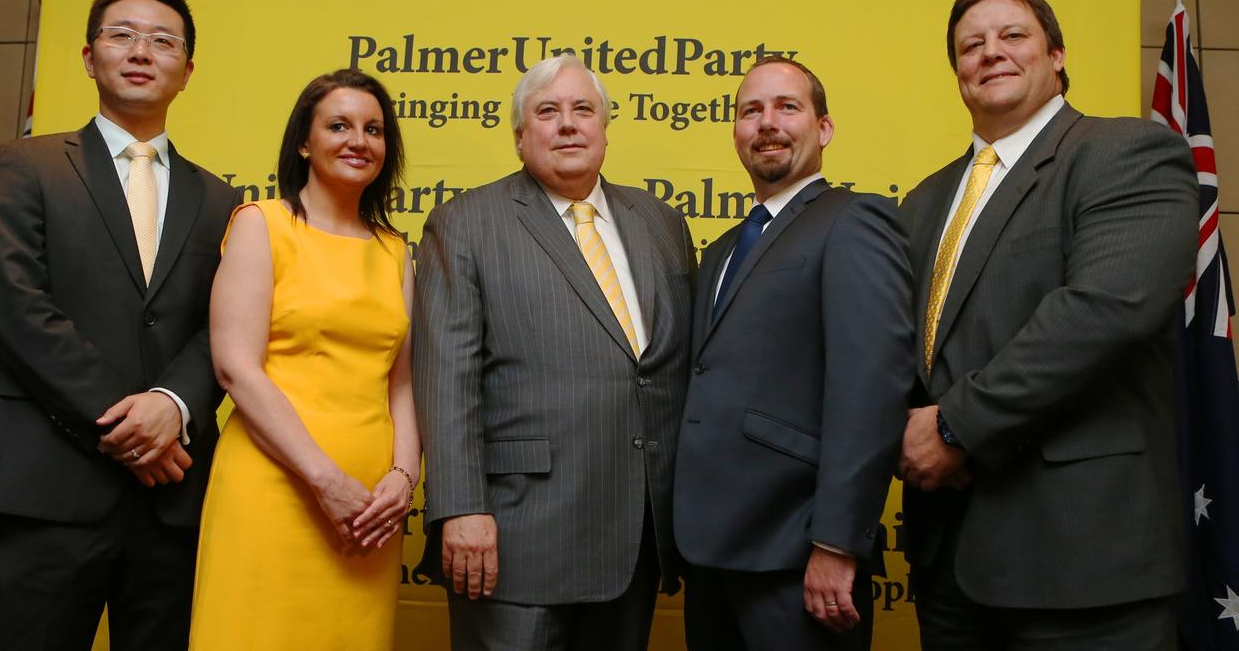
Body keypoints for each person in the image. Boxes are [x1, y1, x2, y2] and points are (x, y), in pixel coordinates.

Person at [897, 0, 1198, 650]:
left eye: (1012, 35)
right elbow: (892, 348)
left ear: (1056, 54)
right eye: (971, 45)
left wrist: (952, 426)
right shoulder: (921, 203)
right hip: (947, 558)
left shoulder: (1125, 153)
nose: (990, 52)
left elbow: (1103, 313)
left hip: (1081, 558)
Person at [0, 0, 238, 650]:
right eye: (123, 35)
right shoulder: (27, 164)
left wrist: (172, 403)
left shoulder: (220, 199)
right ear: (89, 57)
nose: (142, 51)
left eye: (163, 41)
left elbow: (223, 326)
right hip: (53, 475)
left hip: (171, 496)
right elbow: (15, 305)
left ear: (187, 71)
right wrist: (130, 422)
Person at [413, 53, 697, 650]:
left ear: (604, 128)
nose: (568, 124)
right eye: (547, 111)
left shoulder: (662, 223)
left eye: (583, 109)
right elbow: (447, 377)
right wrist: (461, 507)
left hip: (638, 535)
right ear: (521, 136)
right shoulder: (465, 223)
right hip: (516, 536)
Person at [673, 57, 912, 650]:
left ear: (824, 128)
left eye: (787, 107)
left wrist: (837, 543)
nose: (767, 123)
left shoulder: (855, 220)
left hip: (798, 554)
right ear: (735, 132)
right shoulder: (724, 247)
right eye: (751, 110)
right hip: (711, 556)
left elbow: (871, 390)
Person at [188, 68, 419, 649]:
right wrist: (325, 480)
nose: (357, 140)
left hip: (370, 510)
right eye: (338, 125)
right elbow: (234, 368)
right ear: (303, 141)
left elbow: (404, 382)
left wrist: (404, 477)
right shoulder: (260, 224)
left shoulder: (396, 252)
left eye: (373, 129)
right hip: (275, 487)